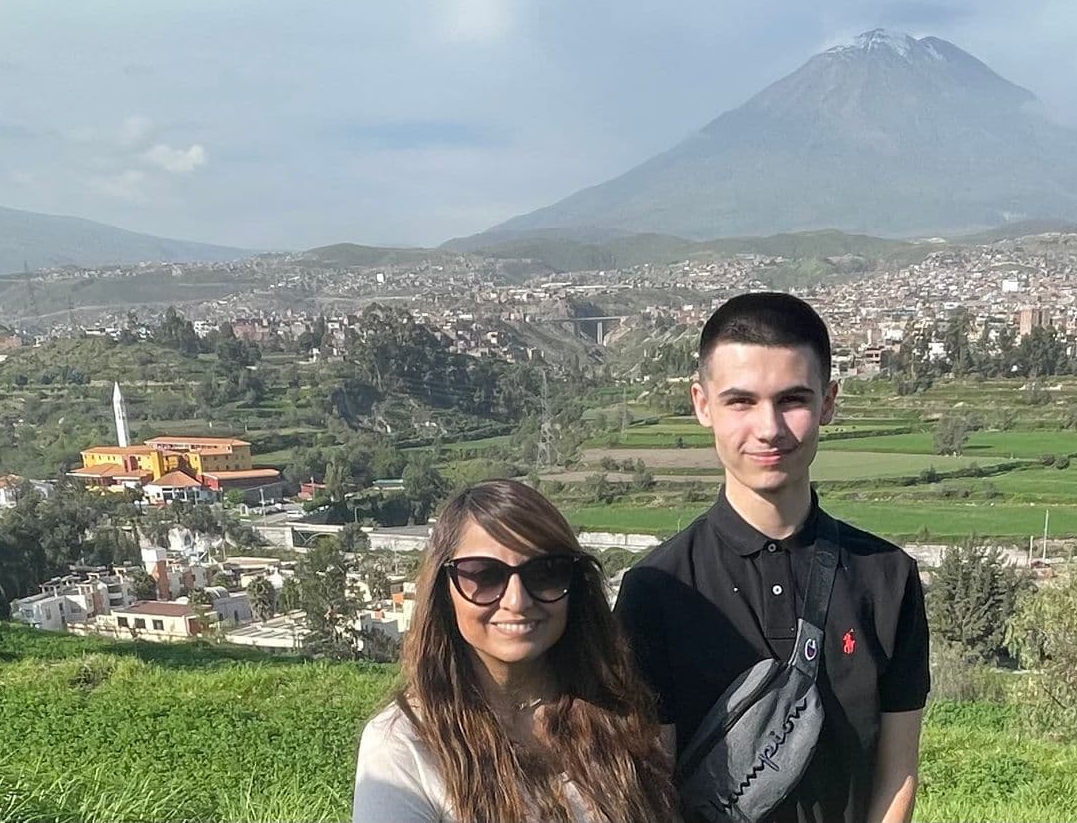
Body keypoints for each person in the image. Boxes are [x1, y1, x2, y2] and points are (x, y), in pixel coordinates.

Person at [615, 292, 931, 823]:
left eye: (792, 400)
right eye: (741, 401)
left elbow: (896, 769)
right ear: (702, 404)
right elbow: (649, 790)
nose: (769, 428)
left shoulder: (888, 577)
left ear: (828, 402)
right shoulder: (657, 590)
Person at [351, 479, 676, 823]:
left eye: (545, 572)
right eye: (485, 575)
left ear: (575, 585)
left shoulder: (619, 712)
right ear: (444, 590)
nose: (517, 601)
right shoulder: (404, 745)